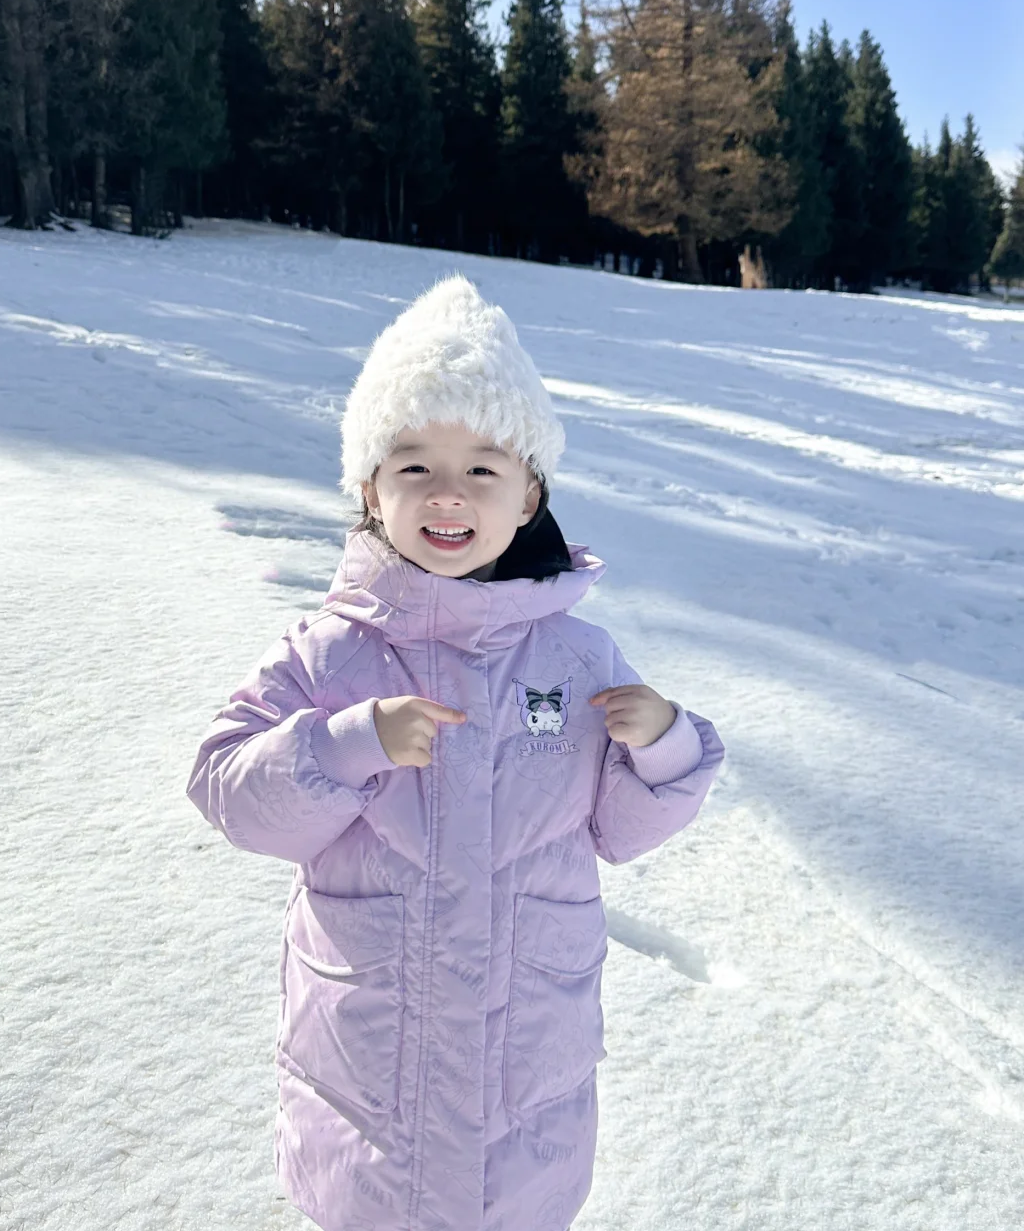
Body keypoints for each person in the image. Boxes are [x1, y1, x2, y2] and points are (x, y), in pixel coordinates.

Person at [186, 273, 726, 1231]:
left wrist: (665, 748)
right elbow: (226, 784)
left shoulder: (576, 656)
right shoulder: (331, 650)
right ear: (369, 490)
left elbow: (620, 832)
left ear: (530, 496)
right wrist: (349, 743)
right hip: (369, 1081)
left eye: (483, 468)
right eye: (414, 466)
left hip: (528, 1079)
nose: (448, 493)